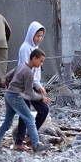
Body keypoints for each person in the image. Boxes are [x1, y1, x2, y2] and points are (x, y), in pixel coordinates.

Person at [0, 48, 50, 154]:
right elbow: (30, 93)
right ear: (34, 59)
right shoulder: (29, 72)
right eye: (41, 61)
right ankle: (36, 144)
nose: (41, 64)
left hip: (9, 95)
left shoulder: (21, 66)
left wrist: (12, 87)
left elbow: (7, 76)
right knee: (29, 118)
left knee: (7, 122)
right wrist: (41, 98)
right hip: (16, 97)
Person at [13, 22, 49, 151]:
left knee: (38, 111)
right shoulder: (26, 48)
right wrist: (38, 86)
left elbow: (36, 71)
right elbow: (27, 71)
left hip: (32, 85)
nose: (39, 38)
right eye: (37, 35)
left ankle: (25, 138)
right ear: (31, 34)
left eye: (41, 36)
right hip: (25, 85)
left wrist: (38, 84)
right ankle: (23, 141)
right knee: (31, 112)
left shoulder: (35, 48)